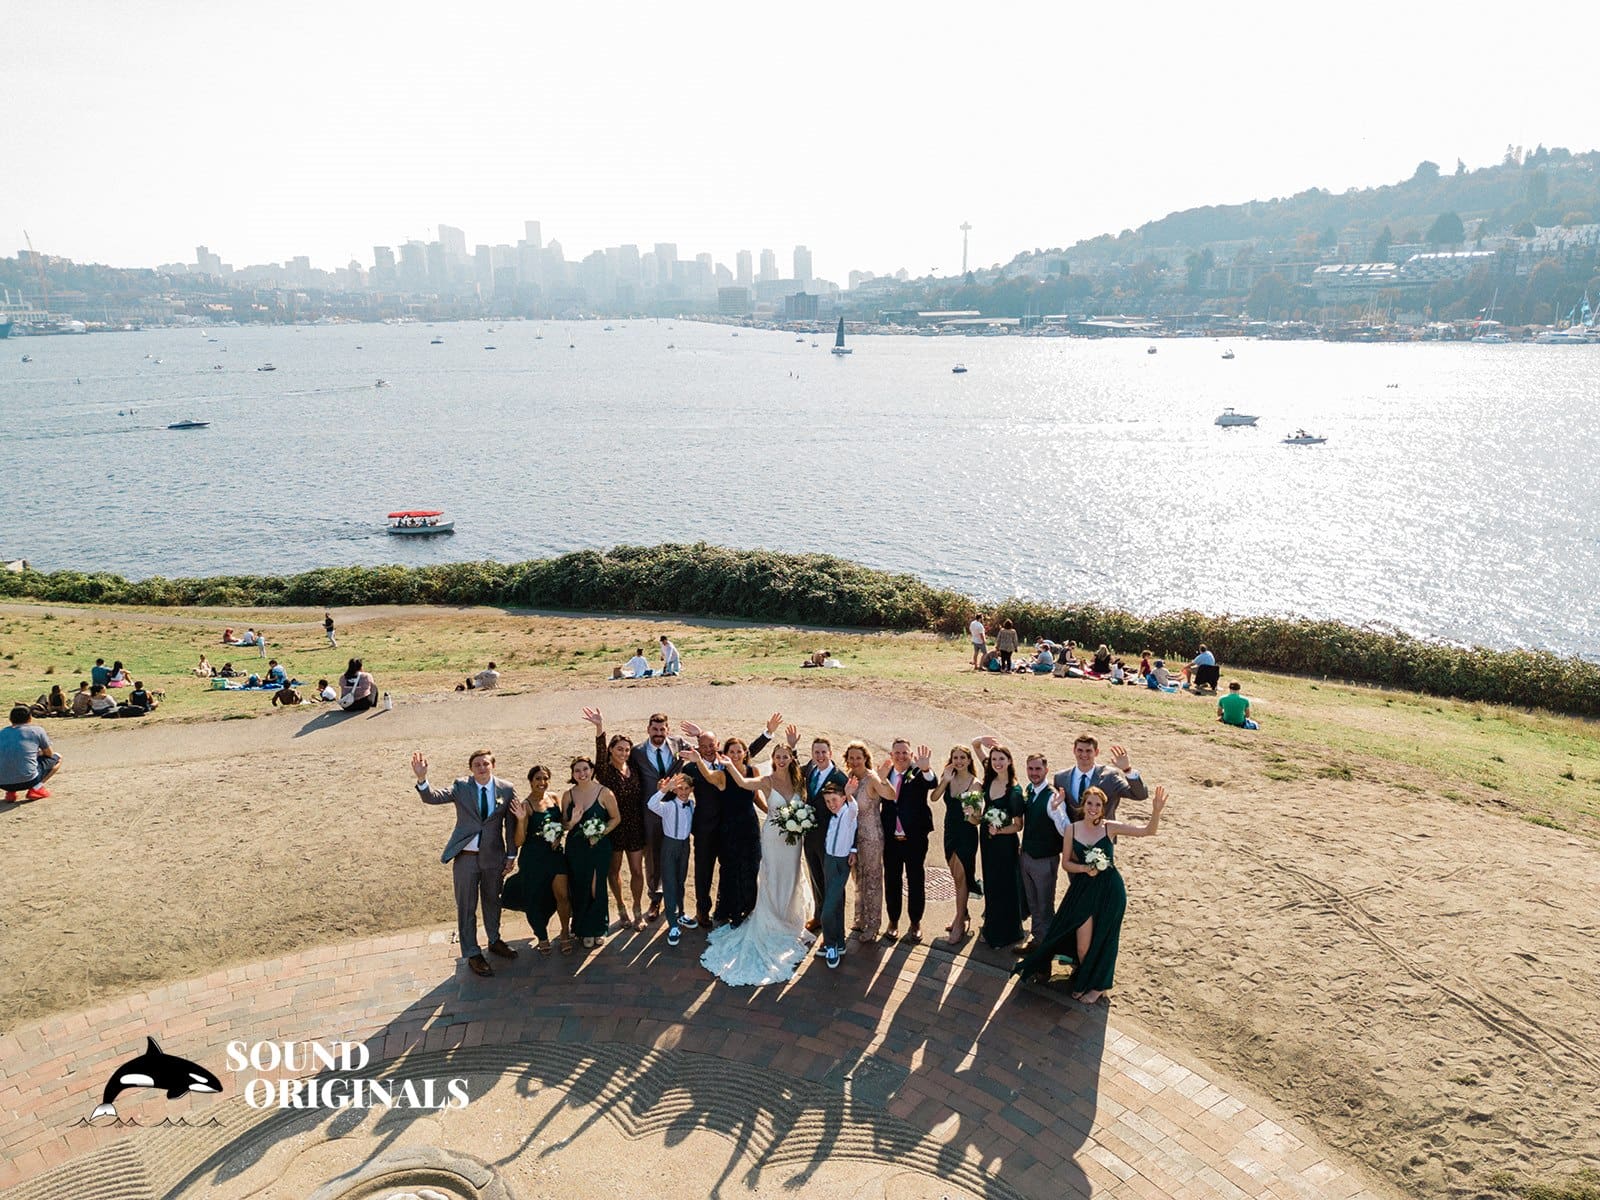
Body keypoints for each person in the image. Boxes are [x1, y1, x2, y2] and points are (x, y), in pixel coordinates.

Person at [1013, 785, 1168, 1002]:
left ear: (1103, 808)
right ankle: (1086, 979)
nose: (1093, 808)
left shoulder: (1109, 827)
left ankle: (1097, 987)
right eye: (1089, 803)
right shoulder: (1072, 829)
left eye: (1098, 804)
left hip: (1110, 890)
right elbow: (1066, 863)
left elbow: (1147, 831)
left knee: (1106, 939)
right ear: (1083, 805)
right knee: (1083, 946)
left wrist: (1156, 811)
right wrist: (1084, 868)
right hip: (1084, 889)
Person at [700, 739, 815, 980]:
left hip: (793, 841)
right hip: (773, 838)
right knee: (771, 876)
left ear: (791, 758)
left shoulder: (798, 781)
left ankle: (788, 917)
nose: (781, 760)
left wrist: (792, 745)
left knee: (792, 876)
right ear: (772, 759)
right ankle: (771, 919)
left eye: (785, 756)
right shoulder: (766, 780)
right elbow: (743, 783)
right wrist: (728, 765)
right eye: (777, 756)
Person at [411, 748, 519, 977]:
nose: (482, 768)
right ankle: (472, 952)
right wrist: (422, 778)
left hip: (493, 858)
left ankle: (494, 940)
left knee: (493, 901)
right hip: (466, 859)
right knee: (467, 907)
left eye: (485, 763)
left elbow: (510, 826)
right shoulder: (461, 787)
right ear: (471, 768)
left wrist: (511, 855)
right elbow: (432, 797)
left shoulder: (507, 789)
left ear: (493, 765)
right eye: (477, 764)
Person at [581, 708, 648, 931]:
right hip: (615, 826)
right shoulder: (604, 771)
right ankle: (621, 907)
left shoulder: (634, 768)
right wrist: (600, 727)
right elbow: (599, 752)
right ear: (611, 749)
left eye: (627, 750)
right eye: (619, 749)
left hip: (636, 826)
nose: (624, 753)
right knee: (614, 870)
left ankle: (637, 908)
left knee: (637, 870)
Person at [502, 765, 572, 955]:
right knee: (535, 899)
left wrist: (559, 834)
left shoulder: (554, 798)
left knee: (563, 896)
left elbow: (562, 823)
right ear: (531, 781)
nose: (542, 782)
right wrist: (521, 820)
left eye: (545, 778)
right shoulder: (526, 805)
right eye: (538, 779)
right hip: (533, 859)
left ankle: (565, 932)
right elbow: (519, 841)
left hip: (555, 855)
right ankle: (541, 935)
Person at [879, 739, 937, 942]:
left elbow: (932, 783)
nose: (901, 756)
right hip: (891, 839)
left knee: (915, 880)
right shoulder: (885, 773)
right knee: (892, 880)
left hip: (915, 838)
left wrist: (926, 768)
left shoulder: (918, 772)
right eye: (897, 753)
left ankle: (915, 922)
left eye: (905, 753)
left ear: (911, 755)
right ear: (891, 755)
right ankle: (893, 920)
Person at [972, 737, 1025, 951]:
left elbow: (1018, 825)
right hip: (987, 840)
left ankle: (1005, 932)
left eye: (1001, 759)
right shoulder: (989, 777)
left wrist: (1000, 830)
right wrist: (981, 741)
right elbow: (975, 747)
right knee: (991, 882)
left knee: (1005, 884)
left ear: (1010, 761)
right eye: (994, 759)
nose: (997, 763)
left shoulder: (1015, 791)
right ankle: (990, 924)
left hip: (1005, 844)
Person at [562, 755, 621, 949]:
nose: (582, 773)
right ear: (573, 774)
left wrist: (600, 833)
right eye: (577, 770)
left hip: (599, 847)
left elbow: (615, 818)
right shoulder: (568, 795)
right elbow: (564, 825)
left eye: (585, 769)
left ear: (592, 770)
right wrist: (572, 821)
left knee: (596, 887)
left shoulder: (604, 793)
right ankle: (583, 929)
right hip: (576, 848)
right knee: (579, 886)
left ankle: (599, 927)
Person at [842, 742, 894, 944]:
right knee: (858, 878)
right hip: (853, 837)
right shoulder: (849, 777)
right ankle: (860, 918)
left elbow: (891, 795)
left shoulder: (872, 778)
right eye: (851, 758)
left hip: (871, 835)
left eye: (858, 757)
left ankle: (873, 924)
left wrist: (883, 779)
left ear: (865, 758)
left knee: (872, 880)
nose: (855, 761)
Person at [676, 734, 728, 928]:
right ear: (698, 748)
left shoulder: (727, 762)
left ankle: (723, 908)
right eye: (703, 746)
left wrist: (767, 734)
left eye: (711, 745)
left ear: (718, 744)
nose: (708, 750)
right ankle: (702, 910)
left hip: (728, 826)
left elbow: (747, 753)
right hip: (704, 828)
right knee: (703, 871)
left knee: (727, 869)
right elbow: (680, 788)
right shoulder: (690, 768)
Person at [933, 744, 983, 945]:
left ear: (969, 760)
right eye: (956, 757)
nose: (959, 761)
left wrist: (971, 814)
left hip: (966, 835)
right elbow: (934, 797)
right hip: (950, 832)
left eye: (963, 757)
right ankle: (962, 913)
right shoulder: (949, 777)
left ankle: (960, 923)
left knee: (962, 877)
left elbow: (977, 820)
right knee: (956, 877)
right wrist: (945, 781)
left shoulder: (975, 784)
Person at [800, 736, 849, 931]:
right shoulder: (810, 770)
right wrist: (792, 747)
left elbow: (848, 814)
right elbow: (791, 770)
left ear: (830, 753)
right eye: (816, 752)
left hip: (831, 840)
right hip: (810, 836)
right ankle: (819, 916)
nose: (820, 756)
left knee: (833, 884)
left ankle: (835, 927)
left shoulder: (839, 778)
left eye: (823, 752)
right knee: (816, 878)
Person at [1018, 754, 1065, 951]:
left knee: (1045, 904)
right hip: (1027, 855)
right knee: (1033, 902)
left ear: (1046, 770)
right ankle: (1037, 939)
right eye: (1030, 769)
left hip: (1045, 859)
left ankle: (1045, 947)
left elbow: (1065, 829)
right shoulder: (1030, 790)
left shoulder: (1052, 796)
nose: (1034, 773)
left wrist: (1056, 810)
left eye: (1038, 769)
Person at [647, 773, 696, 947]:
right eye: (680, 788)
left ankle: (681, 913)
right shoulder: (667, 806)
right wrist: (666, 788)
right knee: (669, 883)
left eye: (687, 789)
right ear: (675, 790)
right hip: (669, 845)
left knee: (681, 881)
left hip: (684, 845)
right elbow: (651, 804)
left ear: (691, 790)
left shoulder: (691, 805)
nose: (683, 792)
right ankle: (672, 923)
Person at [1052, 735, 1148, 822]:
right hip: (1071, 834)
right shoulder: (1060, 778)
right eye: (1080, 750)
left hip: (1102, 833)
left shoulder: (1110, 777)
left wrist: (1127, 770)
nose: (1084, 754)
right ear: (1074, 751)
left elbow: (1140, 795)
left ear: (1096, 752)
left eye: (1088, 751)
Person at [818, 780, 857, 970]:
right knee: (836, 903)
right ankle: (840, 943)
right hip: (829, 860)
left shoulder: (848, 813)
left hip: (841, 864)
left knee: (827, 911)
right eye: (827, 801)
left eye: (834, 800)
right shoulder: (833, 816)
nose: (831, 804)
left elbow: (854, 809)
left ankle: (830, 944)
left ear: (842, 799)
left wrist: (849, 795)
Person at [2, 706, 61, 802]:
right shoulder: (36, 730)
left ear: (10, 719)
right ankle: (36, 788)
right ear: (30, 718)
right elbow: (49, 754)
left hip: (3, 783)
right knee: (58, 758)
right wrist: (37, 754)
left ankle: (11, 792)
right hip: (28, 780)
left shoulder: (2, 732)